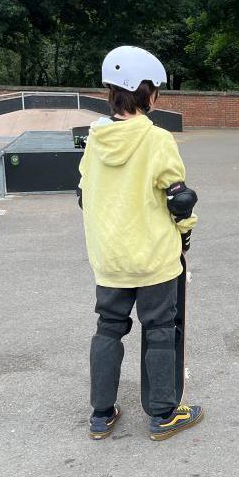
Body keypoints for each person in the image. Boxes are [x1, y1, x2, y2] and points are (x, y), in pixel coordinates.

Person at [79, 46, 203, 441]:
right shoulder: (157, 140)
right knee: (161, 330)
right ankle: (163, 414)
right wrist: (187, 230)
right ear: (147, 93)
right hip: (153, 257)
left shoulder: (94, 139)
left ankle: (101, 415)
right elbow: (178, 199)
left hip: (110, 258)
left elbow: (84, 193)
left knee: (109, 328)